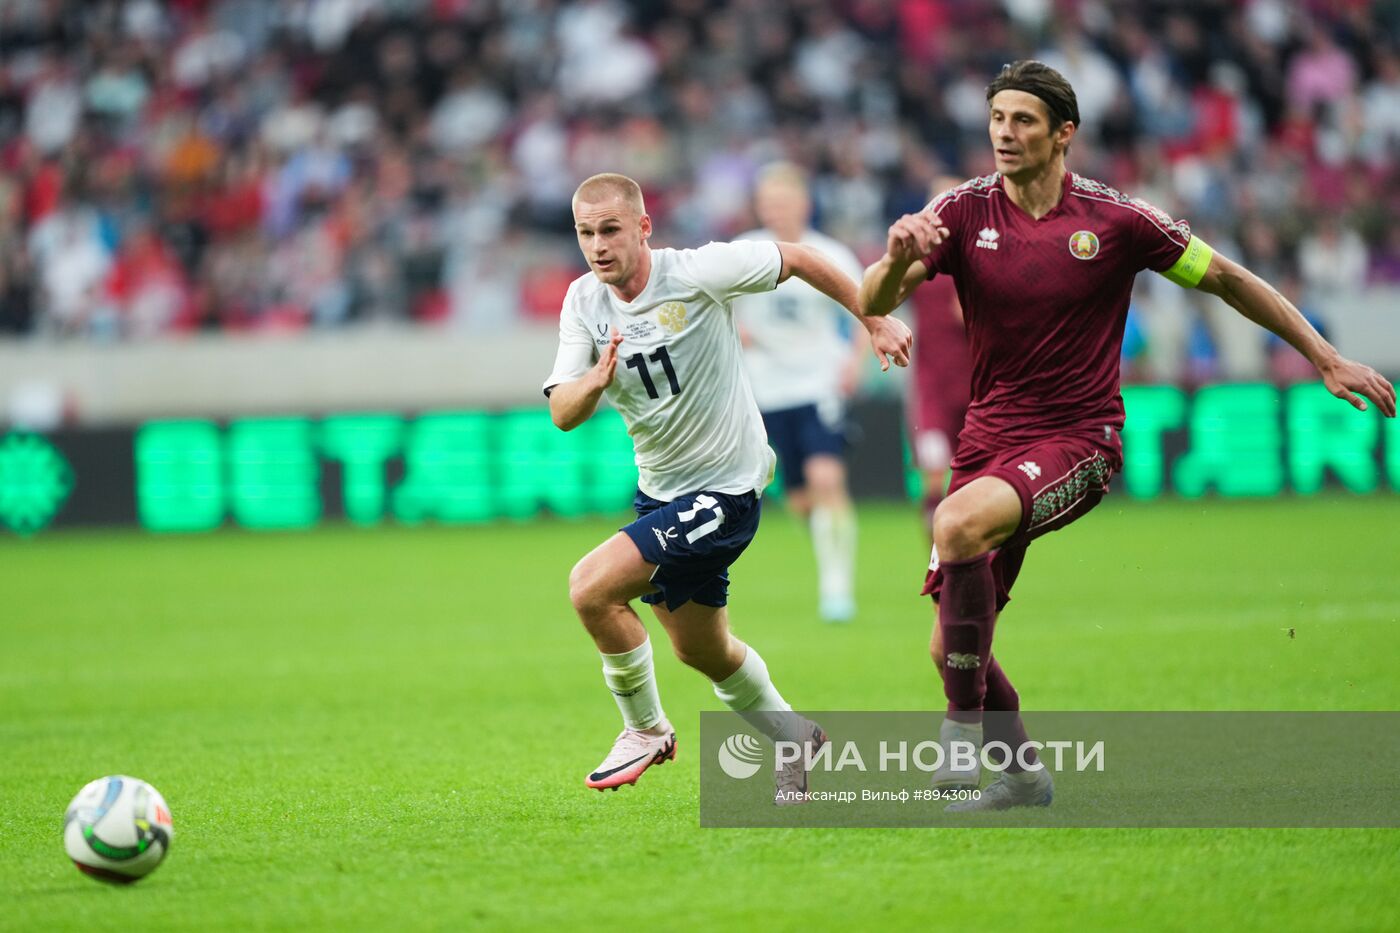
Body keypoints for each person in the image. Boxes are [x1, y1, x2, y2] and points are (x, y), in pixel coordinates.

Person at [859, 61, 1396, 812]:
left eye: (1023, 122)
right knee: (951, 645)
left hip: (1081, 437)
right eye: (997, 120)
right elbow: (872, 298)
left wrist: (1325, 357)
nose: (1005, 135)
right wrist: (896, 256)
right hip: (988, 439)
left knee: (955, 529)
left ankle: (959, 726)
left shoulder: (1117, 222)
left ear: (1063, 133)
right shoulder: (961, 212)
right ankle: (1021, 776)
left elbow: (1230, 280)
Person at [546, 173, 911, 800]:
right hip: (662, 494)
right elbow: (563, 410)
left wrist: (872, 316)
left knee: (591, 589)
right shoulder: (583, 301)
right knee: (703, 651)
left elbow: (795, 258)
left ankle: (645, 729)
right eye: (586, 233)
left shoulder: (697, 272)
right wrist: (595, 381)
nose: (598, 246)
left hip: (726, 491)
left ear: (643, 227)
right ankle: (794, 735)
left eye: (610, 230)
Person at [732, 162, 867, 623]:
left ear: (804, 204)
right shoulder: (742, 251)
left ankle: (837, 586)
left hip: (818, 383)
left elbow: (866, 307)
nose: (776, 211)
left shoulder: (830, 254)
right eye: (768, 203)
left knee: (826, 479)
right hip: (765, 389)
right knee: (799, 501)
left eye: (784, 202)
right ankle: (828, 554)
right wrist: (734, 334)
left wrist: (856, 362)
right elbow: (712, 306)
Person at [906, 174, 973, 539]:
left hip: (980, 390)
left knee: (975, 481)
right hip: (932, 388)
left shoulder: (983, 257)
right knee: (933, 472)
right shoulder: (918, 262)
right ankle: (938, 558)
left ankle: (972, 555)